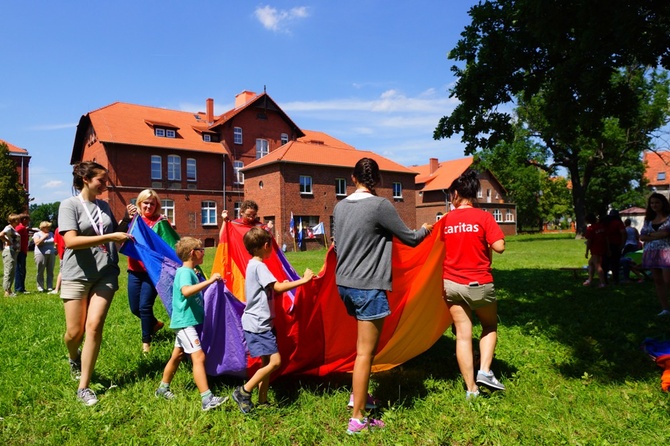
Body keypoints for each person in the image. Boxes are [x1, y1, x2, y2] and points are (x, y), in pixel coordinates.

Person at [333, 157, 433, 434]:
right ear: (376, 180)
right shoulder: (380, 206)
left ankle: (360, 394)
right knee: (366, 352)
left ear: (353, 178)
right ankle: (357, 418)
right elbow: (411, 239)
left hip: (344, 285)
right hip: (368, 287)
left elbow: (337, 246)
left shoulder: (340, 207)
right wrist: (426, 229)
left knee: (361, 348)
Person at [58, 161, 131, 406]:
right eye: (101, 179)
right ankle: (73, 356)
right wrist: (110, 235)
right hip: (76, 273)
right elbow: (70, 241)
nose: (105, 184)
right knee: (74, 332)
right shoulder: (70, 205)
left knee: (94, 326)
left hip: (106, 273)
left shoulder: (104, 205)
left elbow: (112, 232)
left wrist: (125, 220)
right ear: (86, 179)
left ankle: (84, 387)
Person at [231, 227, 314, 414]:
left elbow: (269, 288)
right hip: (258, 324)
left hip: (260, 322)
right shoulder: (259, 266)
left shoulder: (253, 264)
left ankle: (262, 400)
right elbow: (275, 288)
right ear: (266, 245)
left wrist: (282, 285)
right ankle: (243, 391)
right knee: (275, 363)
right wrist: (304, 280)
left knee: (266, 361)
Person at [440, 170, 506, 400]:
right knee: (489, 326)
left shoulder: (446, 220)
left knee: (463, 335)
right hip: (479, 283)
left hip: (452, 284)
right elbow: (499, 247)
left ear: (456, 194)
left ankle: (471, 390)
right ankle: (485, 371)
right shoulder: (484, 217)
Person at [154, 237, 228, 411]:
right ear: (192, 253)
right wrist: (208, 282)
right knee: (199, 357)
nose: (203, 252)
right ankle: (207, 398)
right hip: (185, 323)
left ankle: (163, 389)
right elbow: (186, 291)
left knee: (177, 356)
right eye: (201, 249)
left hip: (186, 322)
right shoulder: (185, 272)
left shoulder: (191, 271)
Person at [124, 189, 174, 353]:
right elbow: (117, 234)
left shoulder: (161, 222)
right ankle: (155, 324)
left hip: (152, 272)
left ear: (157, 206)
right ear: (139, 203)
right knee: (135, 308)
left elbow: (170, 244)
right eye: (146, 202)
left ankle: (146, 342)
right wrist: (126, 218)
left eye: (152, 204)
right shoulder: (133, 221)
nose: (149, 206)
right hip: (134, 269)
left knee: (145, 306)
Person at [640, 193, 670, 317]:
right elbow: (642, 236)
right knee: (657, 280)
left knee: (668, 280)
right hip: (651, 252)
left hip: (667, 251)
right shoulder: (648, 220)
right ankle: (665, 308)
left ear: (663, 203)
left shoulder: (669, 217)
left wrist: (650, 235)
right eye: (652, 203)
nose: (654, 205)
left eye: (657, 202)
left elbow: (666, 233)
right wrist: (656, 235)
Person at [583, 213, 607, 288]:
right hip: (602, 247)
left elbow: (589, 241)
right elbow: (606, 238)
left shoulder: (590, 229)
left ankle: (603, 283)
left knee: (597, 265)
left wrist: (586, 252)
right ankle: (590, 280)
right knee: (590, 262)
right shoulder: (601, 227)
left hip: (595, 248)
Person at [602, 209, 626, 285]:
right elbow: (623, 233)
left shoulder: (605, 222)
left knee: (605, 263)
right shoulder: (619, 223)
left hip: (605, 245)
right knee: (615, 263)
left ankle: (604, 280)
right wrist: (622, 244)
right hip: (616, 245)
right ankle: (615, 280)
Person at [0, 214, 21, 297]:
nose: (19, 221)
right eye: (17, 220)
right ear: (13, 221)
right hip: (9, 252)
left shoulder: (12, 229)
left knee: (11, 271)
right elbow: (1, 234)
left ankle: (9, 290)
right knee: (8, 271)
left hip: (13, 252)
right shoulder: (8, 228)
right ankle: (7, 292)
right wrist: (7, 241)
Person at [33, 221, 56, 292]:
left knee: (50, 271)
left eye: (49, 227)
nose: (49, 228)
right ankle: (40, 287)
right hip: (40, 254)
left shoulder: (51, 233)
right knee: (40, 271)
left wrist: (56, 249)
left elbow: (55, 242)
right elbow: (37, 243)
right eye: (47, 227)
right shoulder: (37, 234)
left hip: (51, 253)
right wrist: (44, 237)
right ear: (43, 227)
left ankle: (50, 286)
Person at [14, 213, 29, 293]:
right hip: (20, 251)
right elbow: (13, 234)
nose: (28, 221)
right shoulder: (20, 227)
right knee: (19, 270)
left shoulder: (23, 228)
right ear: (24, 219)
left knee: (22, 270)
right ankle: (19, 289)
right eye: (28, 219)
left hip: (23, 251)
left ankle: (21, 288)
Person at [50, 227, 66, 294]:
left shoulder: (57, 229)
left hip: (62, 253)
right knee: (62, 271)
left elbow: (56, 243)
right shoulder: (70, 227)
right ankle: (57, 289)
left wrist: (59, 251)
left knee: (62, 271)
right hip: (67, 252)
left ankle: (57, 289)